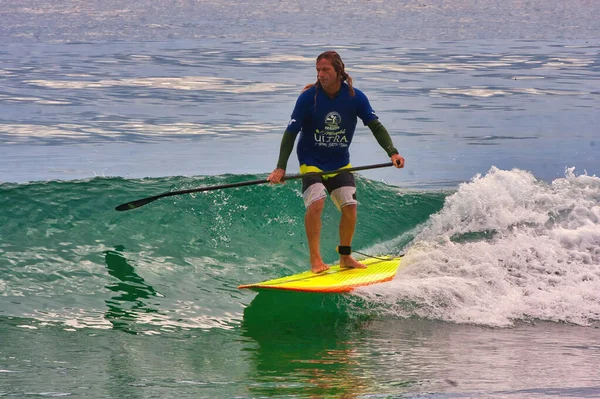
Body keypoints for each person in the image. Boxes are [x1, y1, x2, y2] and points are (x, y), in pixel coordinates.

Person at [268, 51, 404, 274]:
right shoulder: (308, 98)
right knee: (317, 203)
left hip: (339, 161)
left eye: (325, 70)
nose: (320, 75)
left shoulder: (355, 97)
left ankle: (345, 257)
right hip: (311, 160)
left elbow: (375, 126)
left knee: (350, 207)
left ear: (338, 71)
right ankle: (315, 261)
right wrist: (281, 167)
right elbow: (291, 132)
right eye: (318, 70)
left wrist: (393, 153)